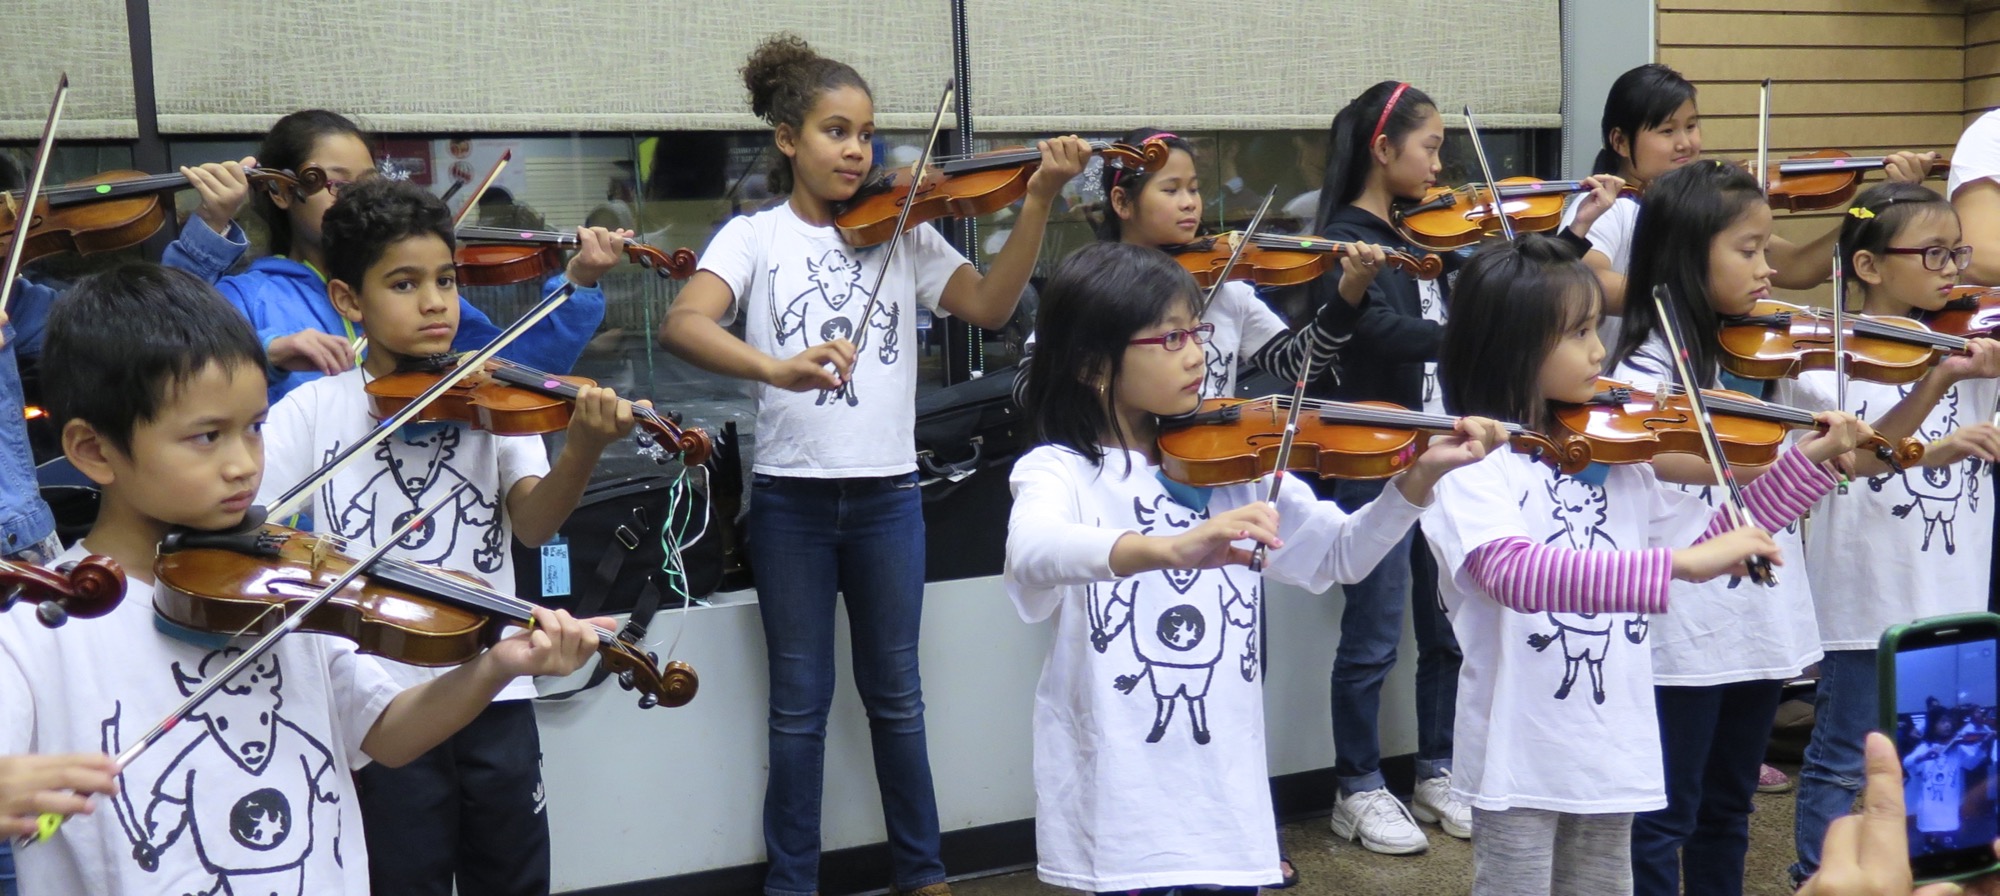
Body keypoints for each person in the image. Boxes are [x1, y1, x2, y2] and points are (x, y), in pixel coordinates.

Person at [0, 262, 603, 895]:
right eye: (207, 437)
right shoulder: (36, 628)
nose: (244, 465)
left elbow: (389, 732)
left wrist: (494, 664)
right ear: (94, 451)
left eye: (254, 429)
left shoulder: (281, 587)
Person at [655, 32, 1086, 896]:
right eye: (835, 131)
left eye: (866, 135)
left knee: (898, 700)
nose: (856, 150)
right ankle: (793, 884)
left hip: (890, 498)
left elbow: (994, 305)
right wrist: (775, 366)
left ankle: (922, 875)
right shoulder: (755, 237)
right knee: (799, 711)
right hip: (792, 507)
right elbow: (685, 324)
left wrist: (1035, 199)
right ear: (787, 139)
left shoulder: (907, 234)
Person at [1004, 240, 1502, 894]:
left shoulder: (1236, 466)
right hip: (1116, 806)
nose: (1197, 353)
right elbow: (1032, 552)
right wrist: (1170, 549)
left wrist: (1414, 485)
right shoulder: (1060, 471)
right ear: (1095, 368)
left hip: (1223, 802)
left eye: (1197, 331)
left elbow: (1341, 555)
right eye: (1170, 338)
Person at [1424, 233, 1870, 896]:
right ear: (1512, 346)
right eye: (1578, 334)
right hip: (1520, 758)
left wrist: (1802, 465)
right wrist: (1679, 567)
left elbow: (1720, 536)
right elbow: (1512, 573)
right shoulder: (1469, 466)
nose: (1600, 351)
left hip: (1615, 746)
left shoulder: (1617, 463)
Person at [251, 176, 629, 895]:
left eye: (446, 280)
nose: (435, 303)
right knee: (404, 879)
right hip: (378, 695)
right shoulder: (313, 412)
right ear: (348, 301)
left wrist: (582, 447)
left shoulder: (492, 398)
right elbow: (254, 531)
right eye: (404, 283)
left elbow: (532, 520)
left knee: (513, 876)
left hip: (496, 687)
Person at [1308, 79, 1624, 853]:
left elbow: (1515, 296)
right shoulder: (1347, 241)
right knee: (1374, 636)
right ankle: (1356, 785)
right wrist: (1479, 338)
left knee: (1446, 628)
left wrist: (1575, 233)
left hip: (1449, 452)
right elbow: (1372, 331)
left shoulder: (1430, 235)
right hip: (1379, 453)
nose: (1442, 162)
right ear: (1383, 151)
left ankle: (1438, 768)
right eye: (1431, 146)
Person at [1771, 182, 2000, 886]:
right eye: (1934, 253)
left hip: (1956, 600)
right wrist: (1935, 383)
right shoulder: (1819, 361)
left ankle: (1941, 878)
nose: (1953, 269)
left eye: (1958, 251)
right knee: (1847, 762)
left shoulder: (1971, 346)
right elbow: (1860, 460)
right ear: (1868, 267)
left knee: (1955, 759)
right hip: (1865, 605)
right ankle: (1825, 877)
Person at [213, 109, 618, 403]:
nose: (356, 198)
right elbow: (185, 368)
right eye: (335, 184)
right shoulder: (246, 295)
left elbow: (520, 368)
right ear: (280, 191)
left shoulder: (431, 298)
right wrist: (270, 352)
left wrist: (577, 284)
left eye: (368, 183)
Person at [1570, 63, 1936, 317]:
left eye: (1692, 126)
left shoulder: (1702, 203)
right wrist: (1700, 294)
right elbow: (1592, 283)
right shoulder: (1605, 205)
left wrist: (1873, 207)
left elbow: (1798, 268)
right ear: (1620, 141)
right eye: (1667, 131)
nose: (1687, 143)